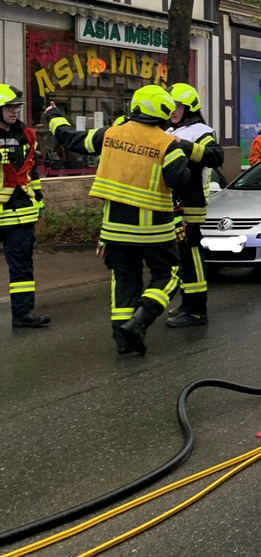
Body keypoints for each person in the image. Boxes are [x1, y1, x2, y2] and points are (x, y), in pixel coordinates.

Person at [45, 85, 192, 356]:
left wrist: (54, 115)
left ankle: (123, 339)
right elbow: (178, 181)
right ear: (161, 112)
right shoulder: (168, 144)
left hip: (114, 227)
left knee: (124, 279)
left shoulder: (110, 134)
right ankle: (140, 321)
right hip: (153, 227)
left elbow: (71, 139)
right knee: (169, 273)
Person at [164, 83, 225, 328]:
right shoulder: (169, 128)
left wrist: (182, 145)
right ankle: (187, 303)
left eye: (178, 106)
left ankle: (197, 310)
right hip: (173, 202)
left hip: (191, 204)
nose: (174, 111)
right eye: (171, 107)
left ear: (190, 107)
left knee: (191, 256)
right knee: (181, 258)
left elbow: (215, 156)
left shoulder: (202, 130)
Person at [0, 85, 49, 329]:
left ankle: (23, 314)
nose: (13, 112)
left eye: (16, 108)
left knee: (22, 267)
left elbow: (32, 172)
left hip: (20, 214)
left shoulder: (27, 135)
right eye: (9, 107)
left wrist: (39, 200)